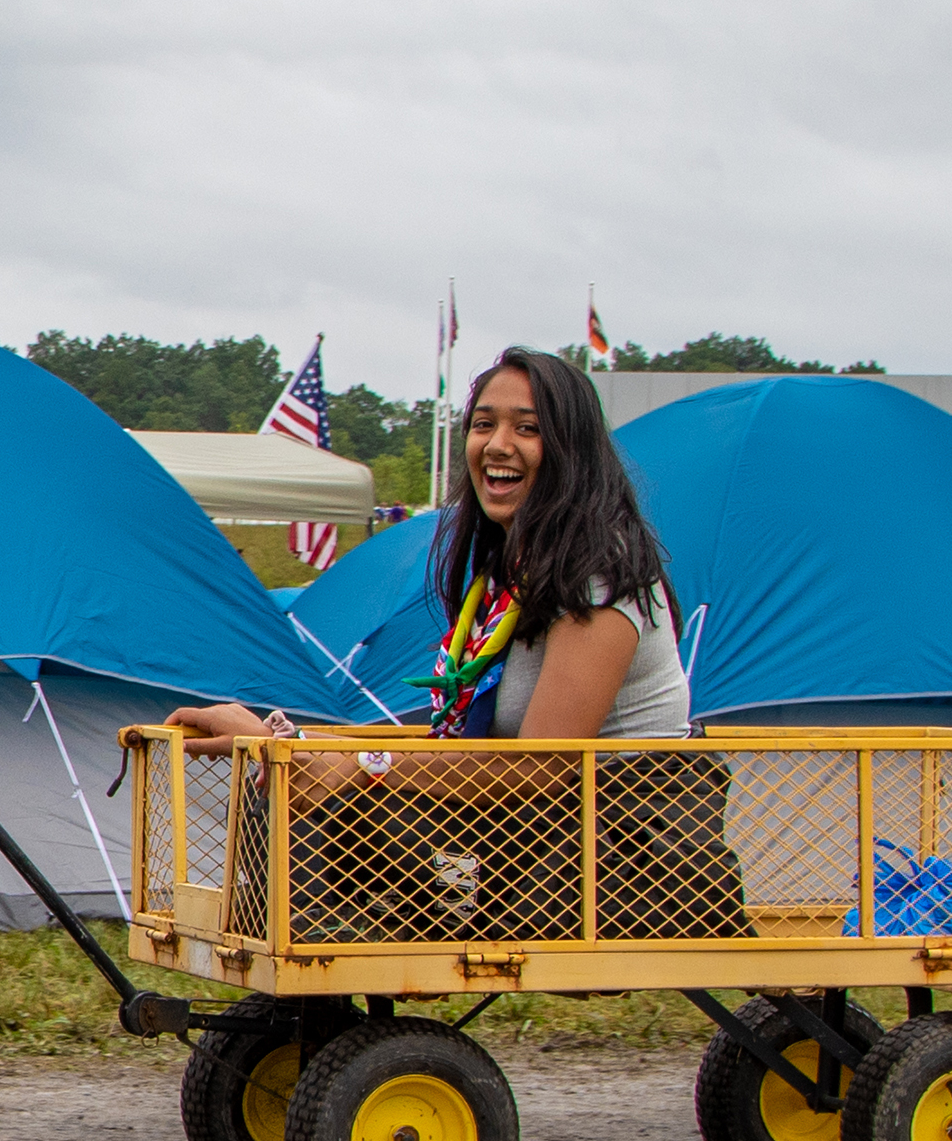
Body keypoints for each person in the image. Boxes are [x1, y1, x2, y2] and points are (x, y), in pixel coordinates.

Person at [171, 347, 744, 942]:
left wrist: (359, 764)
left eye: (528, 428)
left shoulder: (598, 570)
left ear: (571, 450)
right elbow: (472, 749)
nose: (498, 445)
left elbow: (543, 766)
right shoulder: (506, 572)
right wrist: (289, 744)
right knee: (303, 780)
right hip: (538, 832)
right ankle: (306, 987)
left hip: (629, 851)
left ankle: (325, 965)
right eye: (483, 424)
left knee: (337, 789)